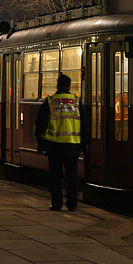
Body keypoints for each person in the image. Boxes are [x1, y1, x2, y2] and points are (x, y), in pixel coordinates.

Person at [35, 74, 91, 212]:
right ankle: (72, 204)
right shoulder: (77, 102)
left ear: (57, 86)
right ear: (70, 86)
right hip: (73, 145)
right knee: (72, 176)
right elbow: (85, 125)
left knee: (55, 177)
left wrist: (41, 141)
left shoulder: (50, 102)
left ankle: (56, 204)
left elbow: (40, 125)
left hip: (54, 146)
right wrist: (84, 143)